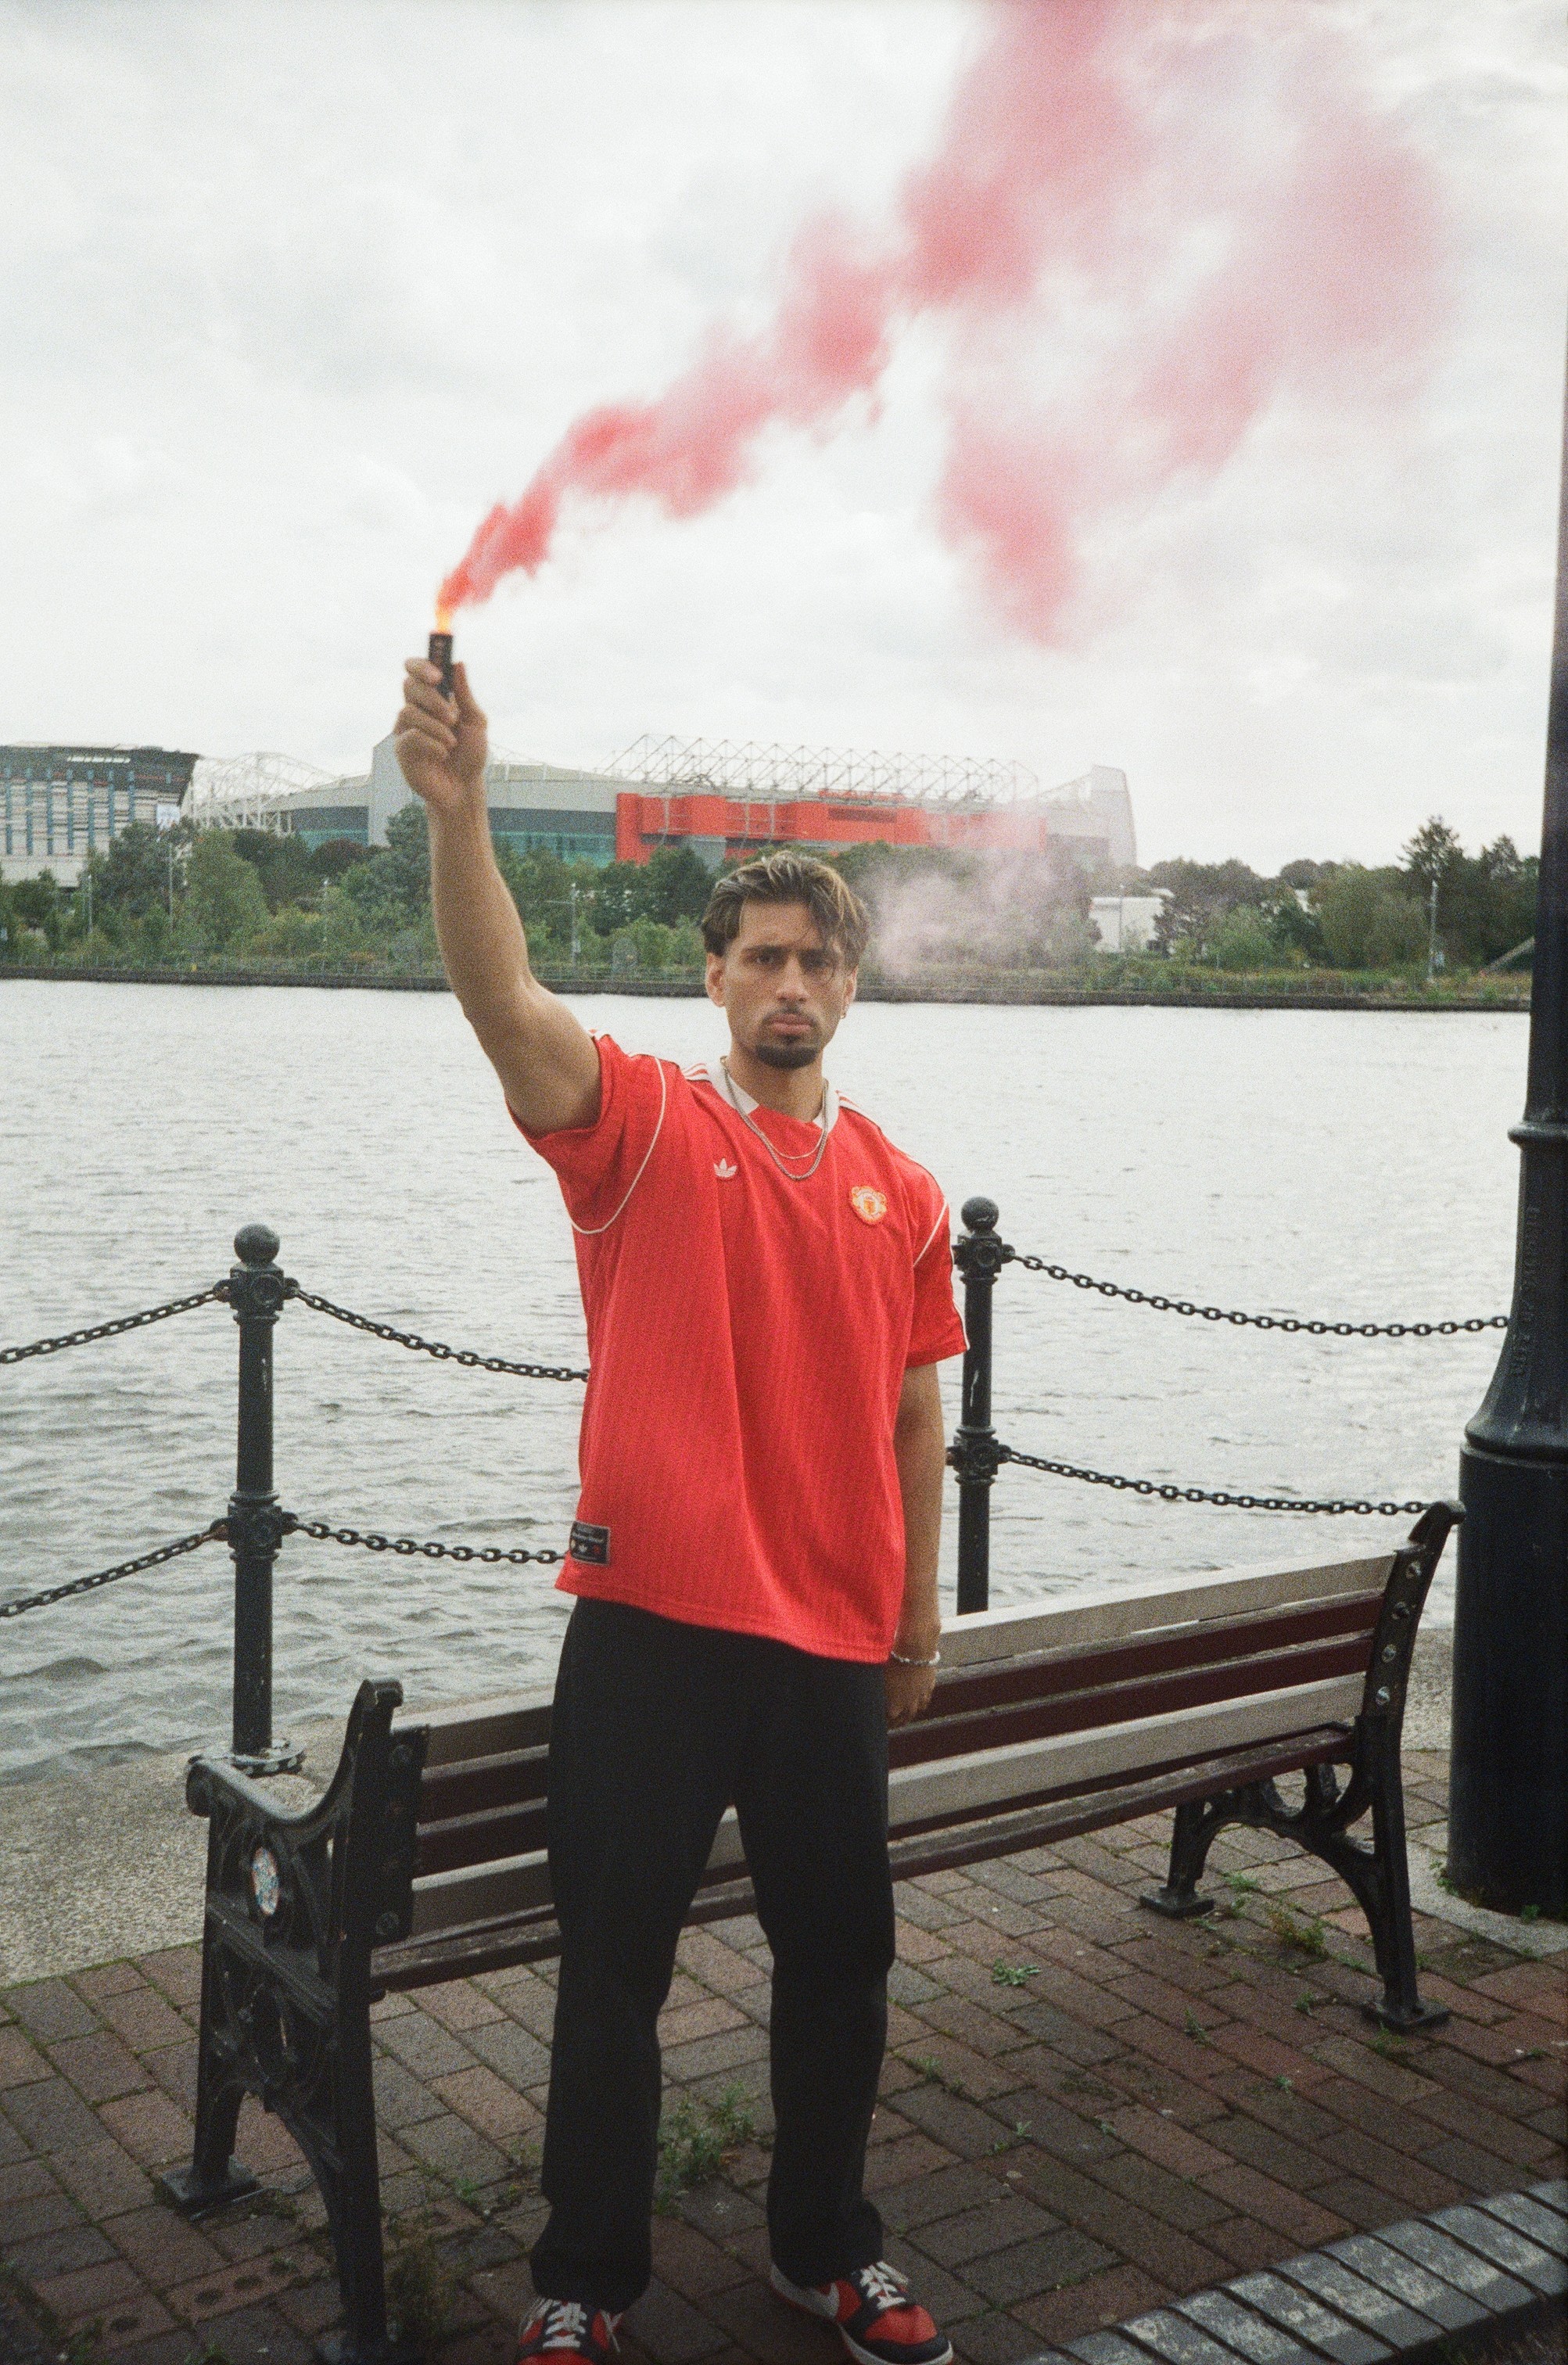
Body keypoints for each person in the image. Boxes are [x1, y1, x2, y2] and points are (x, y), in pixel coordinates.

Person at [395, 652, 967, 2365]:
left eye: (818, 959)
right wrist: (459, 811)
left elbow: (916, 1412)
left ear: (850, 984)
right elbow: (504, 1004)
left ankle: (825, 2250)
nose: (790, 981)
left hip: (829, 1643)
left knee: (841, 1961)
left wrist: (917, 1621)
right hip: (649, 1628)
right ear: (711, 975)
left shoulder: (900, 1187)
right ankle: (586, 2281)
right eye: (761, 956)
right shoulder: (639, 1122)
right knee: (614, 1974)